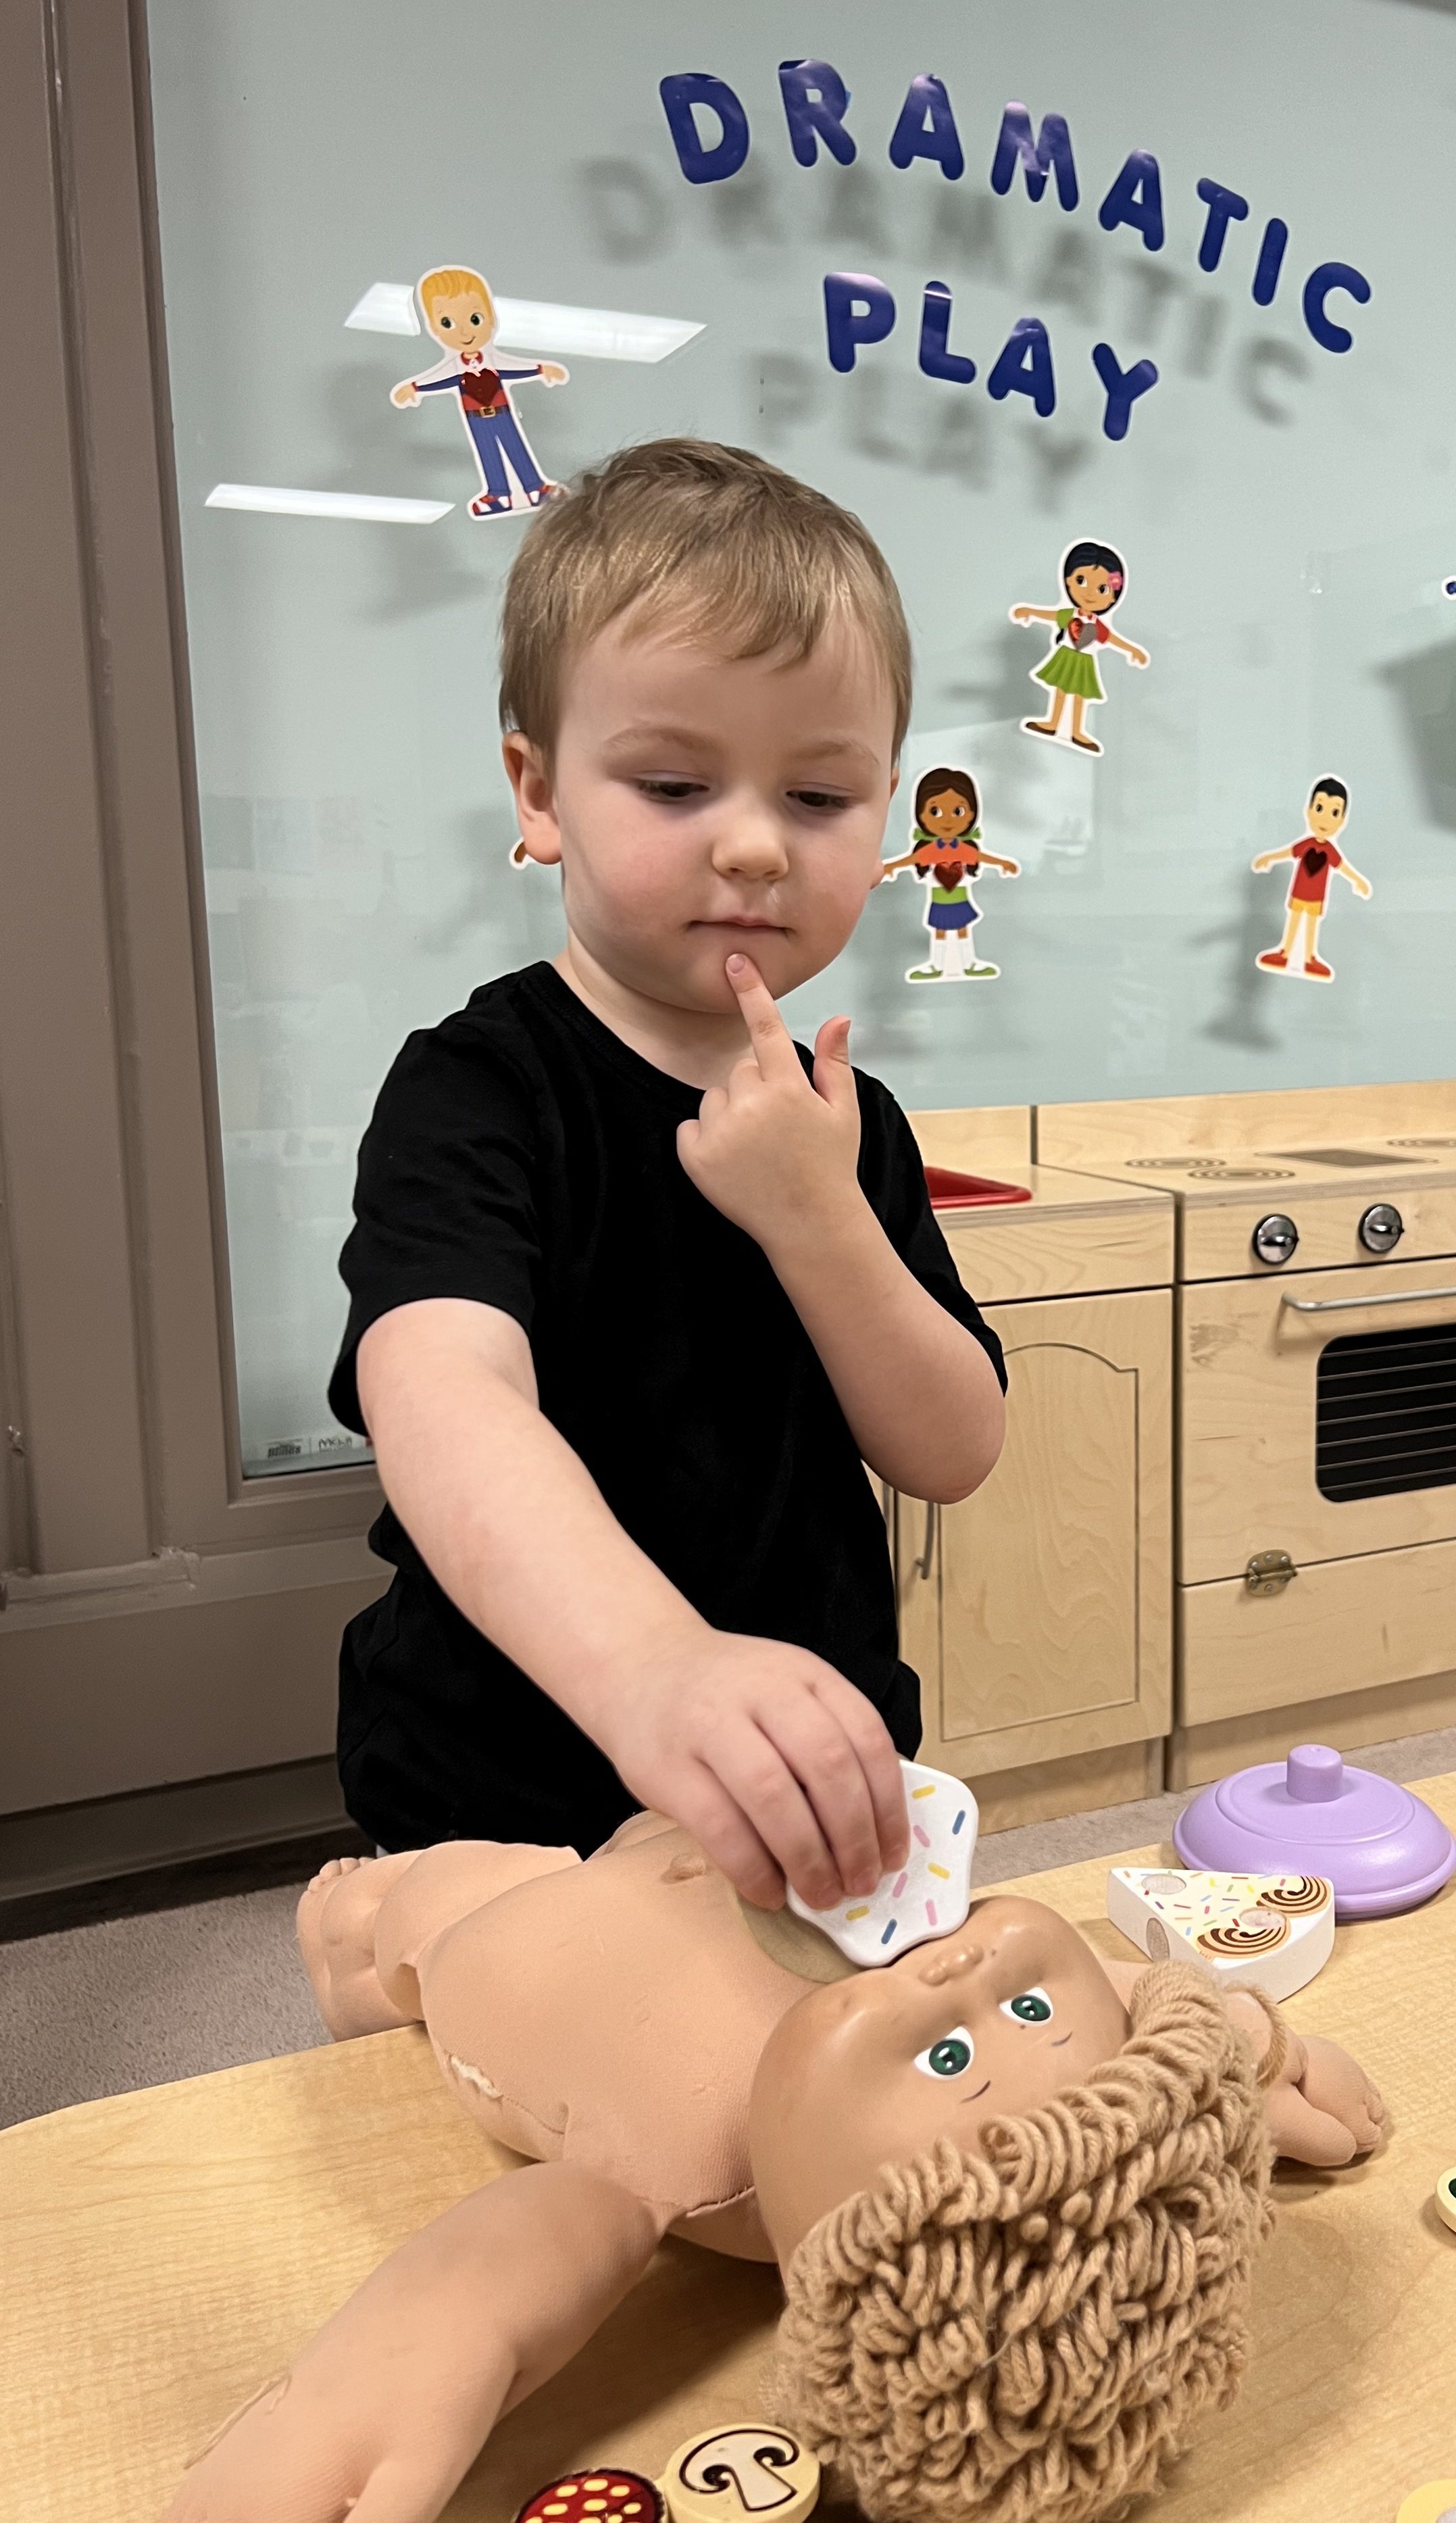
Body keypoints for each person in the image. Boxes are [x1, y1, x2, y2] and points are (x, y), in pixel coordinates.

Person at [328, 439, 1009, 1912]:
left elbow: (953, 1445)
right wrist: (652, 1665)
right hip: (503, 1792)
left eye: (819, 796)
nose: (755, 845)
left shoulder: (849, 1119)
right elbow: (441, 1397)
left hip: (809, 1781)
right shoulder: (479, 1088)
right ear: (539, 793)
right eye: (675, 783)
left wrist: (819, 1217)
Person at [162, 1830, 1387, 2523]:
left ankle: (355, 1957)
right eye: (1024, 2004)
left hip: (518, 1916)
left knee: (417, 1908)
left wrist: (363, 2383)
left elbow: (509, 2263)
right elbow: (1130, 2057)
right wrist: (1236, 2062)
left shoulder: (690, 2164)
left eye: (949, 2057)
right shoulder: (998, 1996)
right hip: (702, 1837)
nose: (948, 1975)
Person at [391, 264, 568, 520]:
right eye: (448, 323)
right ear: (435, 329)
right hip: (476, 418)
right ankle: (497, 494)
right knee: (488, 453)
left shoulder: (494, 362)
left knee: (515, 446)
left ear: (491, 318)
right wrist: (416, 387)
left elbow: (513, 369)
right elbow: (441, 379)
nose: (465, 332)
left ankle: (534, 487)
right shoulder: (455, 367)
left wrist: (541, 369)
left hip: (502, 412)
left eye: (475, 319)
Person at [876, 765, 1019, 981]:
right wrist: (890, 867)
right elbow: (912, 860)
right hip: (939, 900)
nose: (948, 820)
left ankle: (969, 963)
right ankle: (937, 964)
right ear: (921, 815)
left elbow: (980, 857)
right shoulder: (932, 850)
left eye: (958, 811)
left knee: (962, 929)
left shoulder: (962, 849)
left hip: (960, 897)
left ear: (971, 814)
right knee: (940, 931)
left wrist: (1003, 863)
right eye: (935, 811)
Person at [1009, 538, 1151, 752]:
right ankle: (1053, 723)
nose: (1090, 593)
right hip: (1066, 657)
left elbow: (1111, 639)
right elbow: (1050, 615)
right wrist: (1029, 611)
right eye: (1081, 580)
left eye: (1102, 589)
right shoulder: (1069, 615)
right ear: (1068, 581)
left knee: (1078, 697)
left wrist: (1133, 650)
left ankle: (1077, 731)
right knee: (1060, 691)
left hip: (1083, 662)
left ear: (1112, 598)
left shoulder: (1097, 626)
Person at [1252, 776, 1372, 983]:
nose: (1325, 819)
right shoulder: (1306, 844)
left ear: (1342, 821)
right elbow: (1288, 852)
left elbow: (1342, 867)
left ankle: (1309, 958)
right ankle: (1285, 952)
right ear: (1308, 811)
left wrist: (1357, 880)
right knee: (1294, 920)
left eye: (1334, 812)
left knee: (1311, 925)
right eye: (1320, 808)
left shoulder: (1331, 851)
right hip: (1299, 893)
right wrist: (1269, 857)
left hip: (1316, 897)